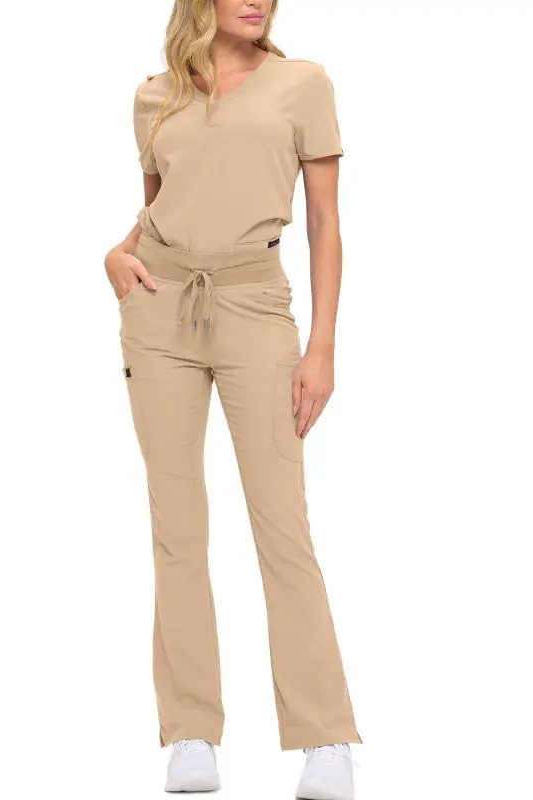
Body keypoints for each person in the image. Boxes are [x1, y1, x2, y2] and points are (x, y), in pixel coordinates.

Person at [103, 1, 361, 797]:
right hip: (159, 312)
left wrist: (321, 348)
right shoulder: (155, 96)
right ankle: (190, 730)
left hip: (255, 308)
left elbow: (325, 222)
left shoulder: (302, 84)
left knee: (282, 527)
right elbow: (159, 209)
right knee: (176, 528)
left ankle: (325, 736)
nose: (259, 0)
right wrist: (116, 255)